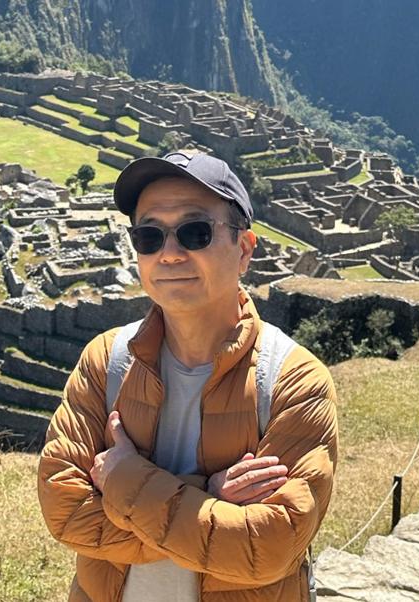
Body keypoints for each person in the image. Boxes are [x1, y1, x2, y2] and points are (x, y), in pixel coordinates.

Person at [37, 151, 339, 602]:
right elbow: (64, 512)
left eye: (195, 233)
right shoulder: (106, 362)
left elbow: (267, 549)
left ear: (244, 250)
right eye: (150, 236)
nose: (170, 254)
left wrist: (122, 482)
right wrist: (208, 494)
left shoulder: (293, 382)